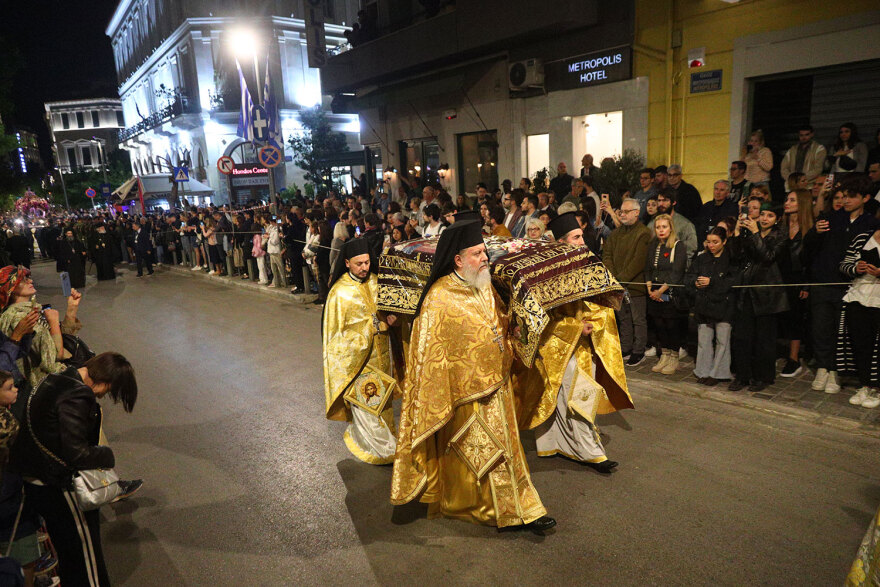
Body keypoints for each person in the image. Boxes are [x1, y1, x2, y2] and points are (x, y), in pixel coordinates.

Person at [391, 220, 554, 532]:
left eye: (484, 252)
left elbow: (496, 323)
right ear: (458, 259)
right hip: (463, 396)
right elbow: (429, 357)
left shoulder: (483, 283)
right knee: (481, 457)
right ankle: (496, 510)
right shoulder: (438, 298)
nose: (484, 259)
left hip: (498, 387)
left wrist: (515, 327)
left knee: (507, 453)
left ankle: (522, 508)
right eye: (477, 253)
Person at [516, 212, 632, 472]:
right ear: (562, 241)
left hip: (581, 342)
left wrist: (593, 320)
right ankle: (585, 452)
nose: (582, 241)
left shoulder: (583, 263)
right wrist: (575, 326)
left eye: (582, 235)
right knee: (565, 394)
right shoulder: (545, 272)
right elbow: (539, 316)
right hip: (556, 343)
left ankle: (570, 446)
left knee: (575, 394)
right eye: (576, 237)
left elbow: (595, 301)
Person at [12, 352, 136, 587]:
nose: (103, 395)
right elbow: (77, 453)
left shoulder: (58, 379)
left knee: (68, 556)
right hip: (58, 486)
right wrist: (107, 455)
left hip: (36, 481)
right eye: (109, 390)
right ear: (105, 381)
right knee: (84, 561)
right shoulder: (77, 395)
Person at [323, 239, 397, 464]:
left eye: (367, 262)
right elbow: (336, 339)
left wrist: (393, 320)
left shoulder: (376, 282)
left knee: (384, 404)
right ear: (347, 263)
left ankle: (385, 439)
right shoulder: (339, 293)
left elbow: (388, 314)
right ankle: (375, 446)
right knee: (368, 404)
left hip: (382, 355)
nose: (365, 267)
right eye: (358, 264)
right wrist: (371, 328)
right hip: (359, 362)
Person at [803, 175, 879, 394]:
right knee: (820, 329)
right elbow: (809, 248)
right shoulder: (831, 218)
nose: (845, 201)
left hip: (850, 286)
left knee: (840, 331)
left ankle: (835, 371)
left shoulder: (871, 224)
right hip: (822, 282)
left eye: (851, 197)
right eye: (843, 196)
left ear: (865, 198)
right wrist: (816, 232)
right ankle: (823, 368)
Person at [729, 203, 789, 392]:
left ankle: (764, 377)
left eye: (770, 215)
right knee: (742, 337)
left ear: (777, 219)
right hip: (746, 291)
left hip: (767, 295)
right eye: (762, 214)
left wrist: (755, 234)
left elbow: (768, 257)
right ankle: (743, 375)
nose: (764, 218)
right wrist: (738, 232)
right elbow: (735, 256)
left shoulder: (780, 237)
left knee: (764, 339)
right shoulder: (750, 234)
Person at [0, 267, 83, 390]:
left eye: (28, 278)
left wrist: (72, 308)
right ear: (10, 289)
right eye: (23, 280)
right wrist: (54, 322)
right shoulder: (20, 317)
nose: (30, 281)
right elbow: (54, 356)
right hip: (44, 384)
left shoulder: (29, 310)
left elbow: (60, 340)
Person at [686, 227, 737, 386]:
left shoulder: (731, 259)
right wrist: (695, 283)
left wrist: (712, 281)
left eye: (715, 242)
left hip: (723, 305)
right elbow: (689, 276)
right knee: (704, 339)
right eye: (709, 242)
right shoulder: (702, 258)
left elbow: (733, 282)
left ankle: (719, 373)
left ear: (724, 241)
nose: (711, 245)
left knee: (722, 340)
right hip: (704, 304)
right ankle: (703, 371)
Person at [603, 199, 652, 366]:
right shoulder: (616, 234)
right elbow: (607, 255)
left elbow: (638, 261)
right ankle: (626, 347)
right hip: (617, 283)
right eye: (621, 212)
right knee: (622, 317)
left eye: (626, 211)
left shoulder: (643, 233)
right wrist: (614, 278)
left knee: (638, 319)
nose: (622, 214)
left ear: (636, 212)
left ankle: (639, 350)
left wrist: (620, 279)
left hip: (634, 284)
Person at [837, 226, 880, 408]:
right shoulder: (863, 236)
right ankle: (865, 384)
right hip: (858, 296)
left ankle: (877, 388)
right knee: (861, 343)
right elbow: (844, 264)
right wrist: (856, 268)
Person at [778, 189, 813, 378]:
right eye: (787, 199)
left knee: (795, 318)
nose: (787, 202)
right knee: (781, 317)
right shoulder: (781, 226)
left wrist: (806, 285)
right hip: (779, 277)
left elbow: (812, 260)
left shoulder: (809, 228)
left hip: (799, 279)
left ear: (803, 203)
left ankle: (794, 358)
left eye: (792, 200)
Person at [646, 214, 687, 374]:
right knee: (659, 324)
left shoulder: (678, 246)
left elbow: (676, 273)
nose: (661, 230)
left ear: (670, 228)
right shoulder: (653, 245)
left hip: (669, 291)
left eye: (664, 227)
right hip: (654, 291)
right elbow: (647, 268)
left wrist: (660, 291)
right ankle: (664, 354)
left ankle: (674, 357)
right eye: (658, 227)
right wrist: (650, 288)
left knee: (671, 325)